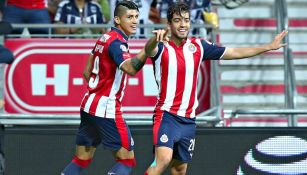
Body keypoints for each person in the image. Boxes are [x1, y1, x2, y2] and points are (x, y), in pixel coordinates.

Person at [143, 2, 288, 175]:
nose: (183, 25)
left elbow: (232, 52)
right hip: (166, 115)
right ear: (169, 24)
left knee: (180, 169)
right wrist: (154, 39)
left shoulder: (198, 46)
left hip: (188, 119)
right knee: (163, 160)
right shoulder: (160, 47)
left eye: (186, 20)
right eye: (177, 20)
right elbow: (147, 49)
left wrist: (267, 47)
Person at [61, 1, 149, 175]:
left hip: (88, 105)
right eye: (129, 17)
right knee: (126, 160)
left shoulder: (104, 38)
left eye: (136, 17)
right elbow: (130, 69)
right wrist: (147, 49)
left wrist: (98, 89)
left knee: (81, 160)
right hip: (106, 109)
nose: (134, 21)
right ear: (117, 19)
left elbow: (87, 72)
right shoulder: (118, 43)